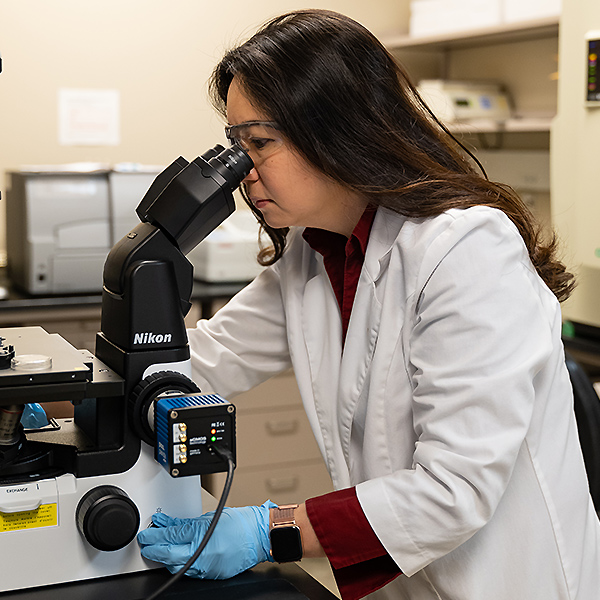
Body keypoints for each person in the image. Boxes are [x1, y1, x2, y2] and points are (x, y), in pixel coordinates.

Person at [137, 9, 600, 599]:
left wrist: (269, 530)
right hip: (407, 582)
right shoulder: (314, 251)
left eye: (260, 142)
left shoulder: (465, 250)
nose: (242, 170)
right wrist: (65, 391)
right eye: (235, 144)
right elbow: (206, 358)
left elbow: (453, 488)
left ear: (333, 130)